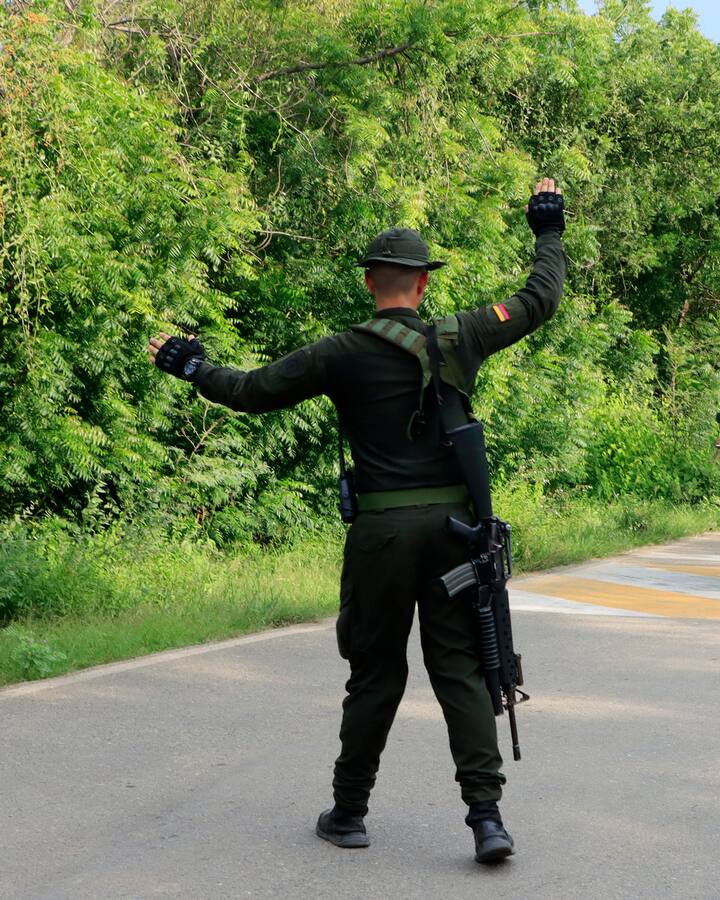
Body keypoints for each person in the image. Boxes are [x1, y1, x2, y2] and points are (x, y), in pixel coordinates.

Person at [147, 178, 566, 863]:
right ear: (423, 286)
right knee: (459, 667)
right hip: (455, 538)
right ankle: (487, 819)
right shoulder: (465, 333)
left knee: (375, 675)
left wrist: (192, 365)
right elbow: (539, 297)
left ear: (372, 282)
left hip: (379, 537)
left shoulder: (340, 352)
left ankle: (348, 812)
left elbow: (251, 391)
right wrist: (547, 227)